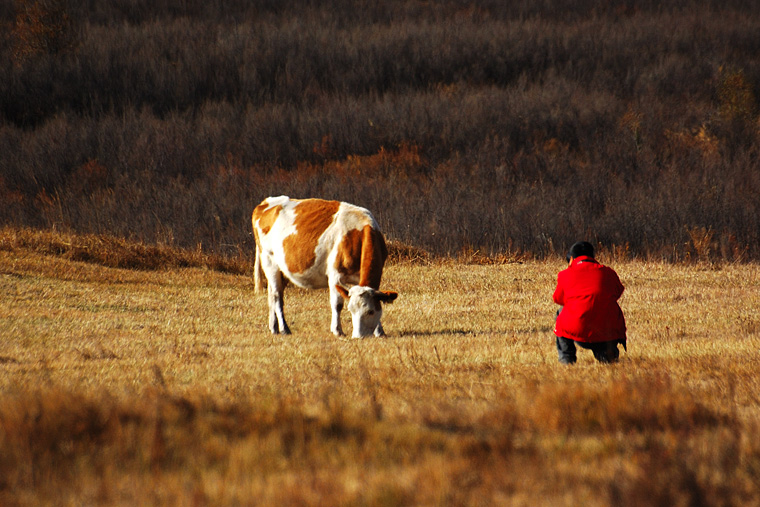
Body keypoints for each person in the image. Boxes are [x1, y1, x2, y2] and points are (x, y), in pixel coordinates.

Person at [552, 241, 627, 364]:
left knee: (561, 312)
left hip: (578, 330)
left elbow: (558, 299)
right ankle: (608, 356)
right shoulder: (608, 272)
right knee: (607, 310)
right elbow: (618, 292)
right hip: (606, 332)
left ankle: (566, 359)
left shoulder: (565, 274)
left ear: (571, 258)